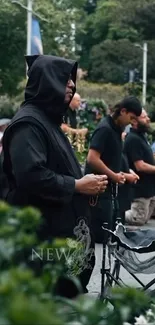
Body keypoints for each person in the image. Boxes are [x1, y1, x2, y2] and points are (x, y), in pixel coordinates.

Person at [2, 55, 108, 297]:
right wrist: (77, 185)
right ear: (48, 82)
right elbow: (31, 175)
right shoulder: (28, 124)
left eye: (72, 81)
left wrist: (86, 187)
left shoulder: (47, 121)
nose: (72, 85)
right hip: (41, 247)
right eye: (65, 80)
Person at [85, 96, 142, 242]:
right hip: (98, 192)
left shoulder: (117, 130)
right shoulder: (105, 129)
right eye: (132, 117)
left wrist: (122, 174)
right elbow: (92, 158)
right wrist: (114, 175)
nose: (133, 122)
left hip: (110, 191)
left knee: (112, 236)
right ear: (123, 111)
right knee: (99, 238)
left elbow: (110, 161)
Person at [124, 109, 155, 226]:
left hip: (149, 189)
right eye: (144, 117)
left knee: (144, 219)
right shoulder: (133, 139)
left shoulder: (141, 136)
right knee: (137, 219)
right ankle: (115, 215)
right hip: (140, 190)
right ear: (134, 121)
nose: (148, 119)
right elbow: (140, 166)